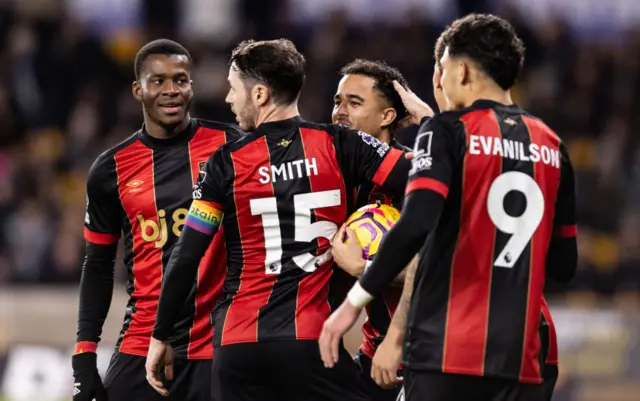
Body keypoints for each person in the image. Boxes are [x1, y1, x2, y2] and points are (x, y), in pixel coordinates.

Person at [319, 13, 578, 401]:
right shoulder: (552, 144)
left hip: (450, 346)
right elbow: (563, 266)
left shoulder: (445, 132)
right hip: (526, 352)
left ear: (461, 70)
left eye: (440, 70)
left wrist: (356, 296)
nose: (437, 82)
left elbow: (416, 223)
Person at [146, 38, 411, 401]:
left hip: (238, 345)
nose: (228, 99)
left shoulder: (223, 164)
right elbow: (429, 178)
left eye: (233, 88)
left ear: (258, 95)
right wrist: (428, 120)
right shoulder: (340, 144)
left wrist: (161, 335)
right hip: (311, 343)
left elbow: (185, 256)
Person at [72, 39, 242, 401]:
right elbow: (98, 264)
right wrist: (85, 354)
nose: (170, 90)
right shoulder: (110, 169)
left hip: (218, 344)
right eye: (158, 81)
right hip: (141, 340)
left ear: (191, 86)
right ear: (138, 89)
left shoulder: (231, 146)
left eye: (180, 80)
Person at [330, 58, 414, 401]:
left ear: (387, 117)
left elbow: (439, 270)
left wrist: (364, 270)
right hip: (372, 350)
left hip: (421, 353)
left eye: (354, 102)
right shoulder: (330, 178)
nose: (339, 112)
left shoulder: (416, 175)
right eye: (337, 101)